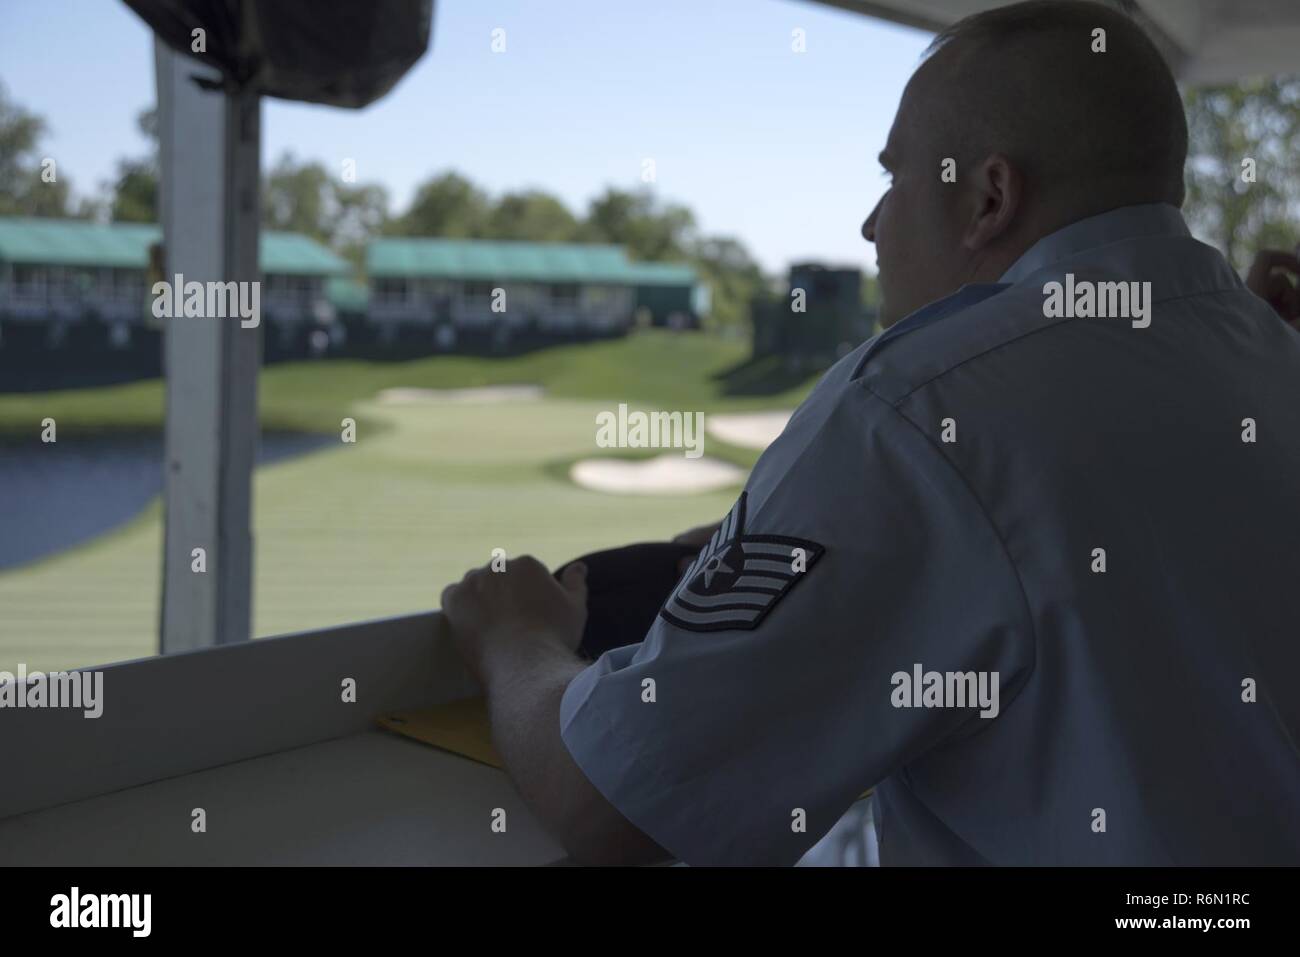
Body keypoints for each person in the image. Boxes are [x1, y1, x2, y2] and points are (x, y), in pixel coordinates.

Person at [439, 0, 1300, 865]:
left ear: (988, 198)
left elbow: (610, 804)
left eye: (895, 177)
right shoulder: (1270, 345)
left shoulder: (915, 406)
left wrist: (513, 636)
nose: (872, 223)